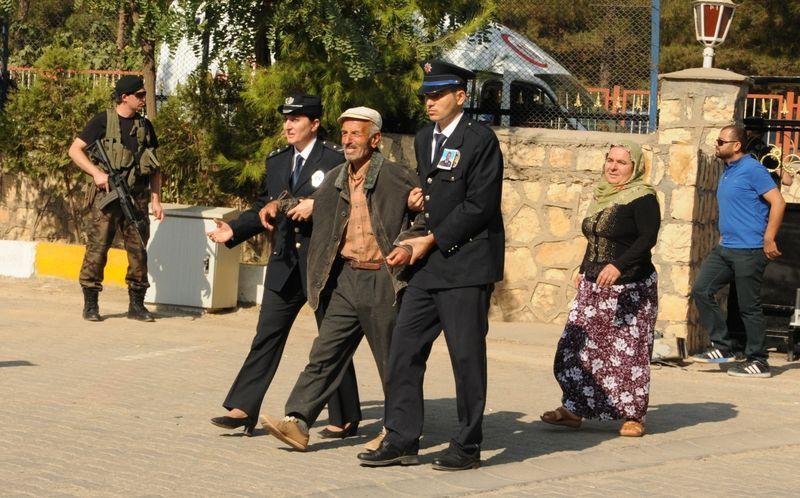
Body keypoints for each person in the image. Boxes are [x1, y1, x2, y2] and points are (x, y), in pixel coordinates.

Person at [358, 61, 504, 471]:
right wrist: (418, 211)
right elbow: (435, 191)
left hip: (467, 263)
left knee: (465, 357)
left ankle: (467, 445)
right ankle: (402, 437)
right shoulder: (425, 139)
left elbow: (480, 205)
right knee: (403, 348)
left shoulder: (481, 140)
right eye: (426, 95)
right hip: (428, 263)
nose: (430, 102)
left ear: (461, 96)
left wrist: (431, 238)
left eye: (438, 95)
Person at [260, 107, 423, 452]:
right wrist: (277, 205)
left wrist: (410, 238)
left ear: (375, 139)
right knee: (325, 352)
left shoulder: (397, 177)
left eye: (356, 134)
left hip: (384, 279)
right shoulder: (335, 178)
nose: (348, 140)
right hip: (347, 279)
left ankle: (399, 429)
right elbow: (310, 203)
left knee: (392, 360)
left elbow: (427, 213)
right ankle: (298, 422)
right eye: (345, 133)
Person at [206, 94, 361, 436]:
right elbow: (266, 205)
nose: (288, 125)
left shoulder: (336, 159)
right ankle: (243, 408)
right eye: (286, 119)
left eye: (297, 119)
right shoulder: (277, 161)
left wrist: (315, 205)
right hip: (285, 264)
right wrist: (235, 228)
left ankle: (344, 415)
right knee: (266, 336)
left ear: (315, 124)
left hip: (322, 265)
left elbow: (353, 201)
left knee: (331, 341)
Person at [540, 142, 660, 438]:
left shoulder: (642, 197)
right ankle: (574, 407)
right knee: (574, 347)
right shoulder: (602, 195)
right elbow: (594, 238)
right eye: (610, 160)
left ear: (635, 168)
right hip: (595, 285)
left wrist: (618, 265)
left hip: (630, 288)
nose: (613, 167)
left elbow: (647, 238)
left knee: (627, 355)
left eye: (622, 162)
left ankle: (633, 416)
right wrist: (584, 269)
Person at [691, 125, 786, 378]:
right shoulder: (727, 170)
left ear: (736, 145)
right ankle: (723, 347)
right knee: (702, 289)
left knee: (748, 306)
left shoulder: (753, 169)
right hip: (726, 248)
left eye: (721, 141)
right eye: (717, 140)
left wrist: (769, 237)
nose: (717, 144)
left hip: (750, 249)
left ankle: (759, 360)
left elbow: (778, 201)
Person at [68, 75, 163, 322]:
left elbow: (155, 167)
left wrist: (156, 198)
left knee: (139, 251)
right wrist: (97, 173)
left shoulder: (145, 127)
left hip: (137, 198)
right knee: (97, 249)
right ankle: (91, 304)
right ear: (125, 97)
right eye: (140, 95)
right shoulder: (103, 121)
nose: (144, 99)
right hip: (108, 197)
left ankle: (137, 305)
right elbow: (75, 150)